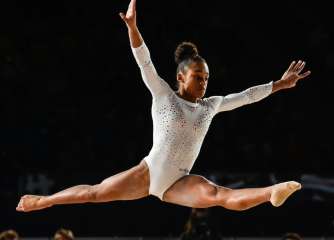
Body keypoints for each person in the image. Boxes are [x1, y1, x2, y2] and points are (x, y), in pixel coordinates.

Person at [16, 0, 310, 213]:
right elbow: (144, 61)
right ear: (181, 76)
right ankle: (43, 201)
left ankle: (272, 192)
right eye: (198, 77)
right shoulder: (164, 96)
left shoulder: (211, 105)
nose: (204, 82)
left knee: (218, 195)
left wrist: (278, 85)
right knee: (93, 194)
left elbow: (246, 95)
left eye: (207, 77)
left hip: (178, 182)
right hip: (148, 173)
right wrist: (132, 27)